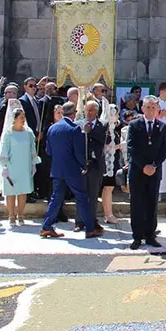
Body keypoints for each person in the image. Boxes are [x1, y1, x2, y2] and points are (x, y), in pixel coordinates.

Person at [41, 102, 102, 239]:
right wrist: (84, 165)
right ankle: (90, 228)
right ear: (74, 113)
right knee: (82, 197)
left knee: (56, 198)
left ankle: (46, 226)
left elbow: (48, 151)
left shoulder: (52, 128)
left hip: (57, 169)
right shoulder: (74, 129)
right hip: (72, 170)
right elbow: (79, 152)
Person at [126, 96, 166, 249]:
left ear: (157, 109)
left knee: (152, 203)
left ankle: (150, 235)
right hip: (138, 171)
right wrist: (143, 166)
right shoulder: (134, 125)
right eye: (148, 107)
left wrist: (154, 165)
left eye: (153, 107)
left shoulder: (162, 127)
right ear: (142, 108)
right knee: (137, 204)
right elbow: (131, 148)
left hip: (154, 171)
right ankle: (137, 236)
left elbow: (165, 149)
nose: (151, 110)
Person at [0, 103, 40, 226]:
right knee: (11, 192)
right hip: (11, 166)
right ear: (14, 118)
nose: (23, 119)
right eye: (21, 117)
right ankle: (11, 216)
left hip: (24, 165)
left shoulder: (28, 132)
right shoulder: (8, 133)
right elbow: (4, 150)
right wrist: (4, 167)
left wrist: (34, 163)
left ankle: (20, 215)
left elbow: (32, 148)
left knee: (22, 191)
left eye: (24, 117)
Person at [78, 101, 106, 233]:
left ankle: (91, 220)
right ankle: (79, 221)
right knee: (81, 194)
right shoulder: (80, 123)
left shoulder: (102, 124)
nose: (88, 113)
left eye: (91, 110)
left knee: (93, 194)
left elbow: (103, 139)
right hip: (82, 163)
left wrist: (90, 132)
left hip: (95, 164)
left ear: (96, 111)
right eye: (86, 110)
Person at [101, 104, 122, 224]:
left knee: (110, 187)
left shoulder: (114, 129)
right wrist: (118, 146)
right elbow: (104, 147)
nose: (117, 116)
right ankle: (108, 214)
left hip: (114, 161)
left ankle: (109, 213)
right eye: (116, 114)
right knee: (108, 187)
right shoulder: (105, 130)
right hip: (107, 163)